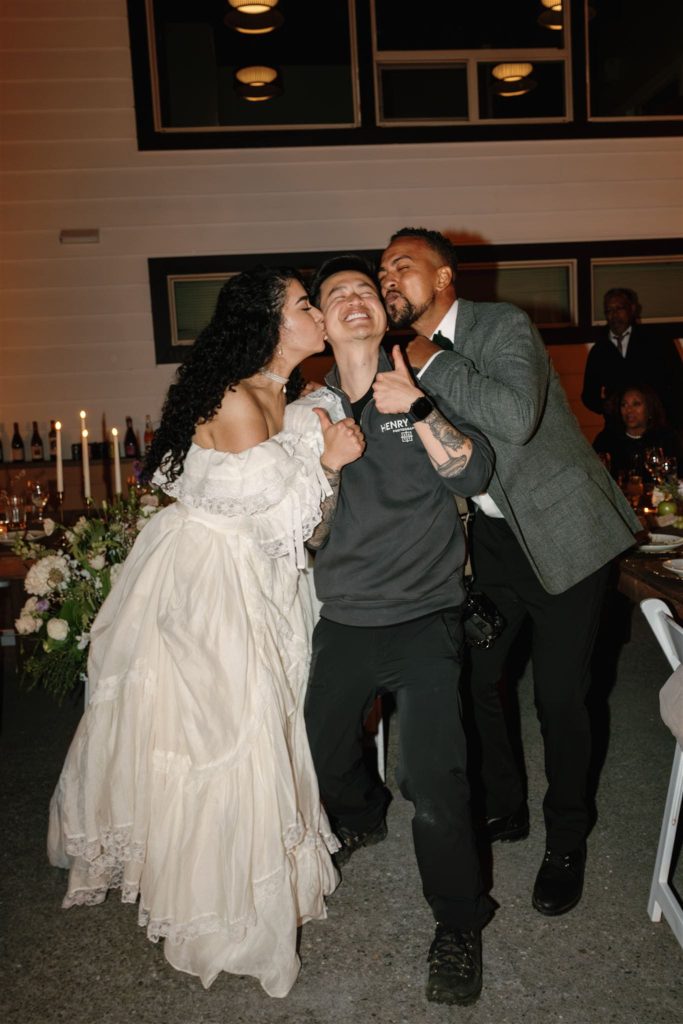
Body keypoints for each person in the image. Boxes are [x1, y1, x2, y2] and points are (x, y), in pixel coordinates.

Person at [47, 266, 366, 998]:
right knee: (224, 732)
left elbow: (295, 522)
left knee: (262, 721)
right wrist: (326, 460)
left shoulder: (285, 395)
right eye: (305, 304)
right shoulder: (236, 397)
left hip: (258, 573)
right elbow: (266, 515)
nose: (318, 313)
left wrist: (321, 456)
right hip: (212, 580)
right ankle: (219, 911)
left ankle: (249, 878)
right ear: (271, 324)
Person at [376, 227, 640, 922]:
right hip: (493, 542)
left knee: (559, 697)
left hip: (565, 534)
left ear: (443, 278)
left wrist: (432, 363)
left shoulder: (500, 326)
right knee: (473, 677)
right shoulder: (400, 355)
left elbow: (516, 418)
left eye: (401, 265)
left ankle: (567, 840)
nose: (387, 278)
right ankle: (505, 803)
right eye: (381, 270)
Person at [301, 254, 496, 1008]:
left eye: (365, 290)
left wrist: (415, 408)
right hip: (345, 617)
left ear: (382, 313)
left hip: (424, 616)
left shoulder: (421, 383)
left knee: (437, 781)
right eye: (336, 295)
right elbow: (304, 531)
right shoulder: (310, 410)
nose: (355, 299)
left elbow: (473, 474)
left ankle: (458, 921)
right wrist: (326, 466)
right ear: (320, 323)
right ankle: (363, 812)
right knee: (317, 760)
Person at [581, 287, 683, 429]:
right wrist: (606, 406)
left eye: (619, 308)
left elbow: (678, 381)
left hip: (658, 425)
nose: (614, 315)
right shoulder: (599, 351)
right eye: (609, 311)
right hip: (619, 428)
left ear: (633, 309)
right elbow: (588, 396)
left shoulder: (657, 340)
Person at [592, 384, 683, 482]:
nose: (629, 410)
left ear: (649, 408)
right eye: (624, 405)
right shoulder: (606, 440)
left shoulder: (667, 439)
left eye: (636, 404)